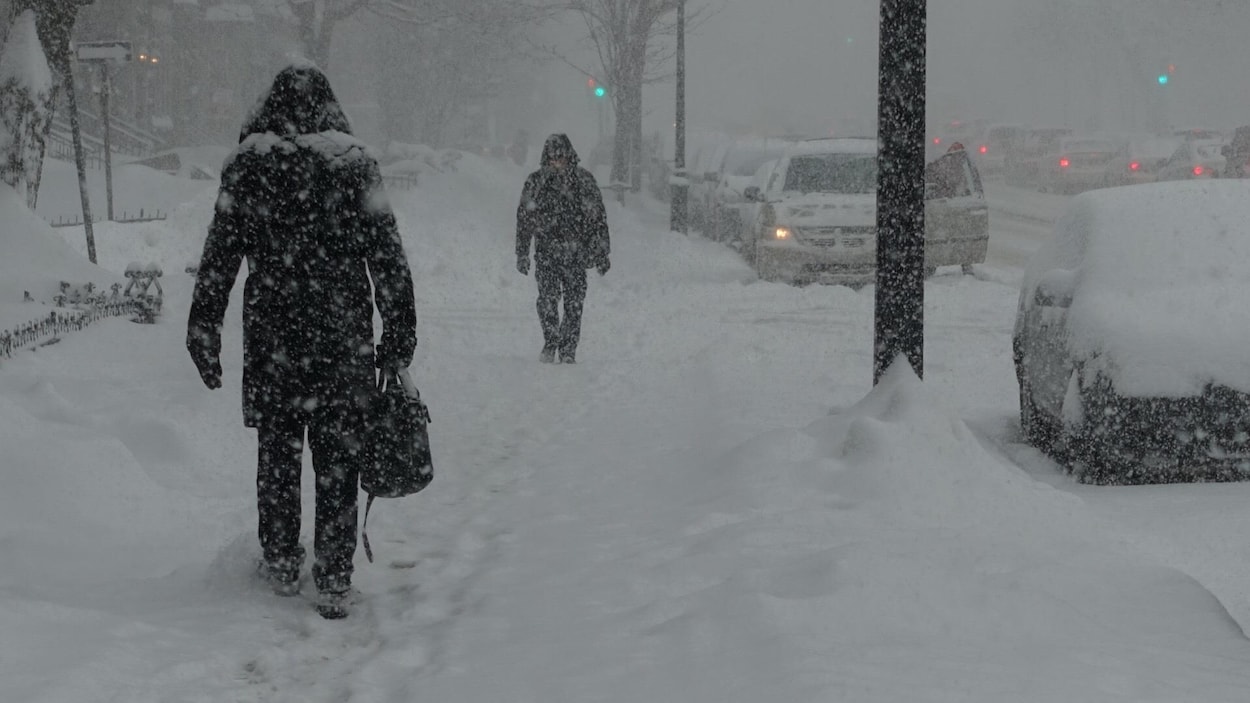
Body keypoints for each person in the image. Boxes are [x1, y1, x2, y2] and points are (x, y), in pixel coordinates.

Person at [186, 63, 417, 620]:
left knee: (278, 452)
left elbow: (220, 257)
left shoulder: (249, 167)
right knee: (339, 456)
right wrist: (398, 334)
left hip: (274, 336)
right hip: (342, 337)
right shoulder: (355, 166)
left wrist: (204, 327)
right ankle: (335, 575)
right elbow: (387, 256)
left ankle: (283, 558)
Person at [515, 134, 610, 364]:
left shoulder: (584, 181)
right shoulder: (536, 182)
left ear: (569, 156)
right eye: (552, 157)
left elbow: (598, 219)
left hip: (576, 253)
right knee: (547, 299)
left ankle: (568, 348)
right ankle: (551, 340)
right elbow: (524, 218)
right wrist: (522, 252)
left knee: (574, 302)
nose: (557, 162)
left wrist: (601, 253)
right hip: (547, 253)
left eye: (561, 157)